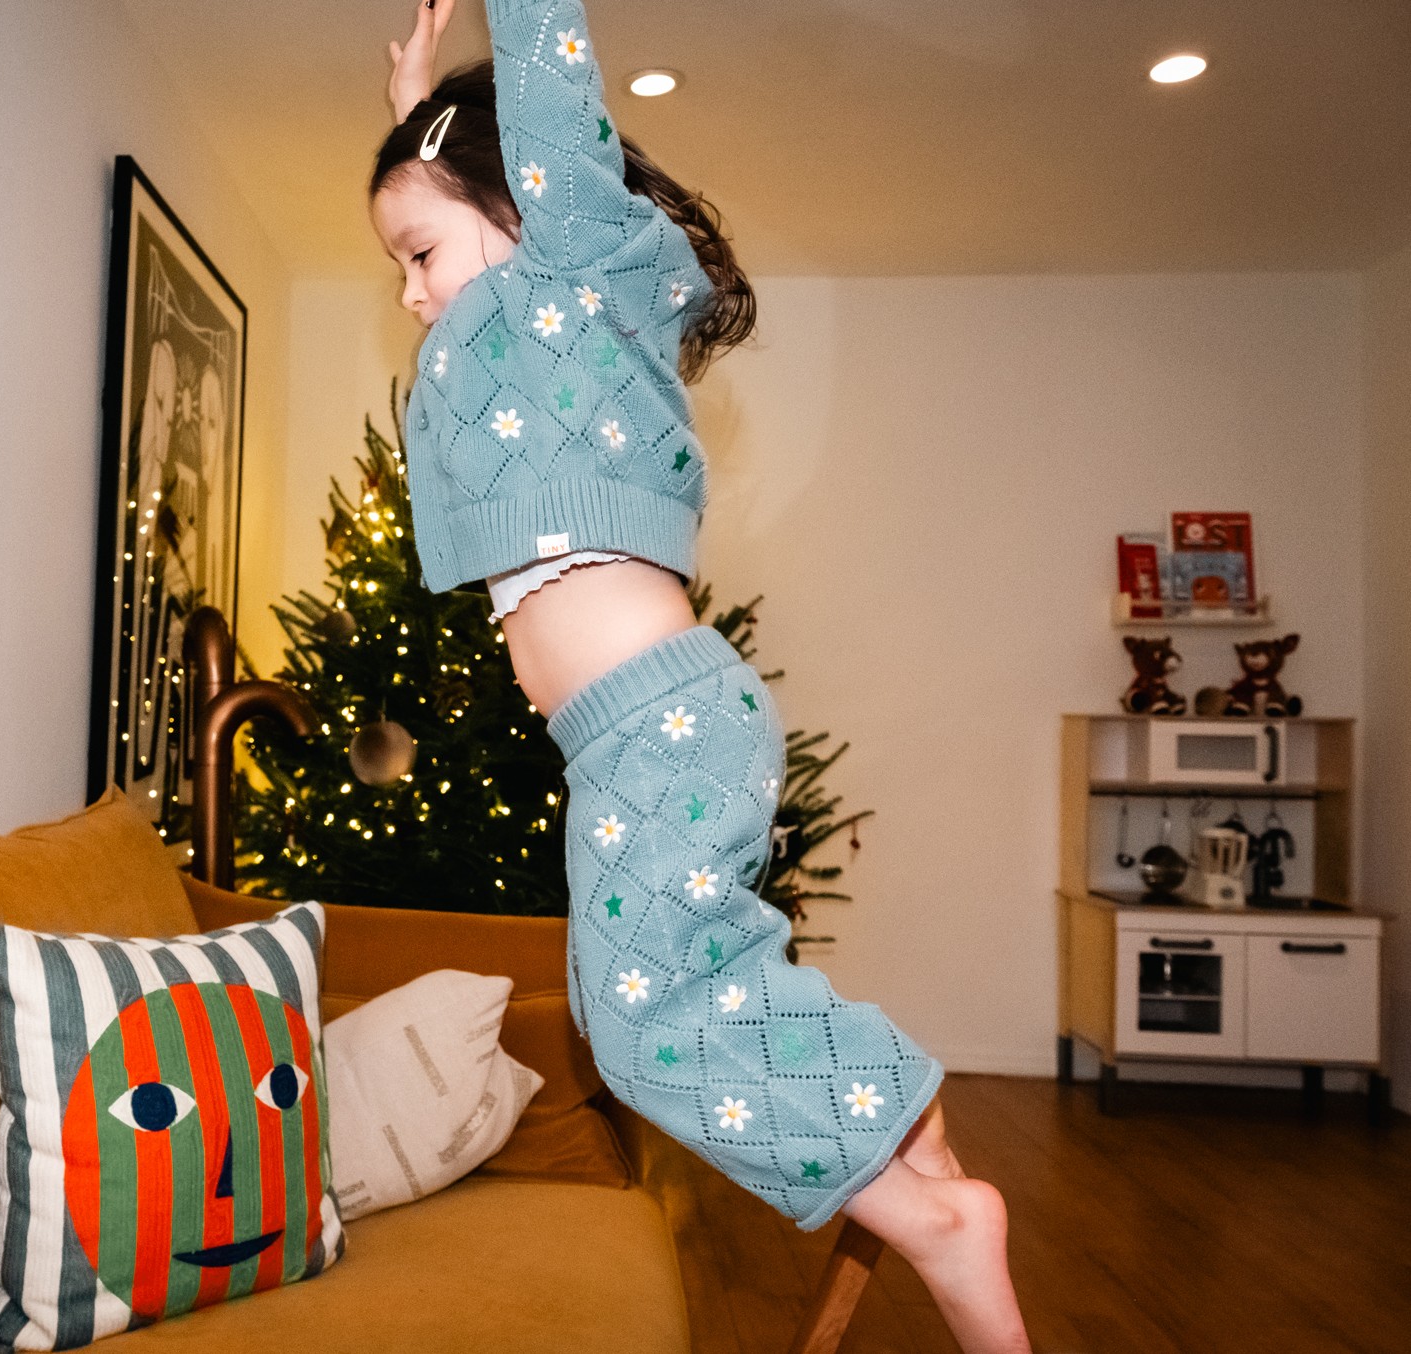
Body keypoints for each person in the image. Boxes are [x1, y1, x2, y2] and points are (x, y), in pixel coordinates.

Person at [370, 2, 1030, 1349]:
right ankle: (904, 1123)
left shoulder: (574, 276)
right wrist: (415, 102)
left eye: (424, 251)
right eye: (395, 264)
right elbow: (449, 202)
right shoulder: (514, 348)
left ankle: (939, 1216)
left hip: (659, 720)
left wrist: (496, 55)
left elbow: (547, 90)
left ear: (525, 204)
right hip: (635, 733)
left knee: (638, 1021)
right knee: (674, 991)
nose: (411, 290)